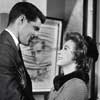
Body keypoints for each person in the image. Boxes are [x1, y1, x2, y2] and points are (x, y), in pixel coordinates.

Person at [0, 2, 45, 100]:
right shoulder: (3, 49)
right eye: (35, 28)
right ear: (22, 19)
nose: (37, 35)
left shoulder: (12, 46)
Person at [48, 32, 89, 100]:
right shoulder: (58, 84)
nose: (59, 52)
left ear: (77, 54)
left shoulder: (77, 86)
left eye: (65, 49)